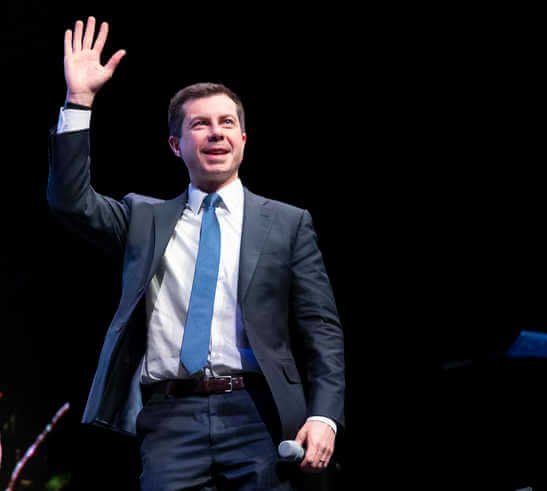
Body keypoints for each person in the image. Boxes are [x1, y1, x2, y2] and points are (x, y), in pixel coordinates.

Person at [47, 17, 345, 490]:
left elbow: (321, 330)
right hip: (170, 419)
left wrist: (325, 416)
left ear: (243, 140)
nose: (216, 133)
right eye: (200, 124)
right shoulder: (143, 218)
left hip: (260, 415)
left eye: (227, 123)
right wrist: (79, 101)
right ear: (175, 144)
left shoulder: (288, 223)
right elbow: (70, 201)